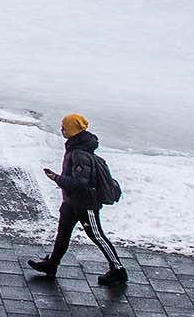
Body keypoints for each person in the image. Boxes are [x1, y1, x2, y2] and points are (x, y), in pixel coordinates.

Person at [29, 114, 128, 287]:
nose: (62, 131)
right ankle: (51, 265)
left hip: (85, 204)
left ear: (73, 131)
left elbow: (81, 183)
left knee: (97, 236)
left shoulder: (80, 154)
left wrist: (57, 178)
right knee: (63, 235)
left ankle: (118, 271)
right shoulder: (75, 147)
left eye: (65, 128)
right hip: (71, 202)